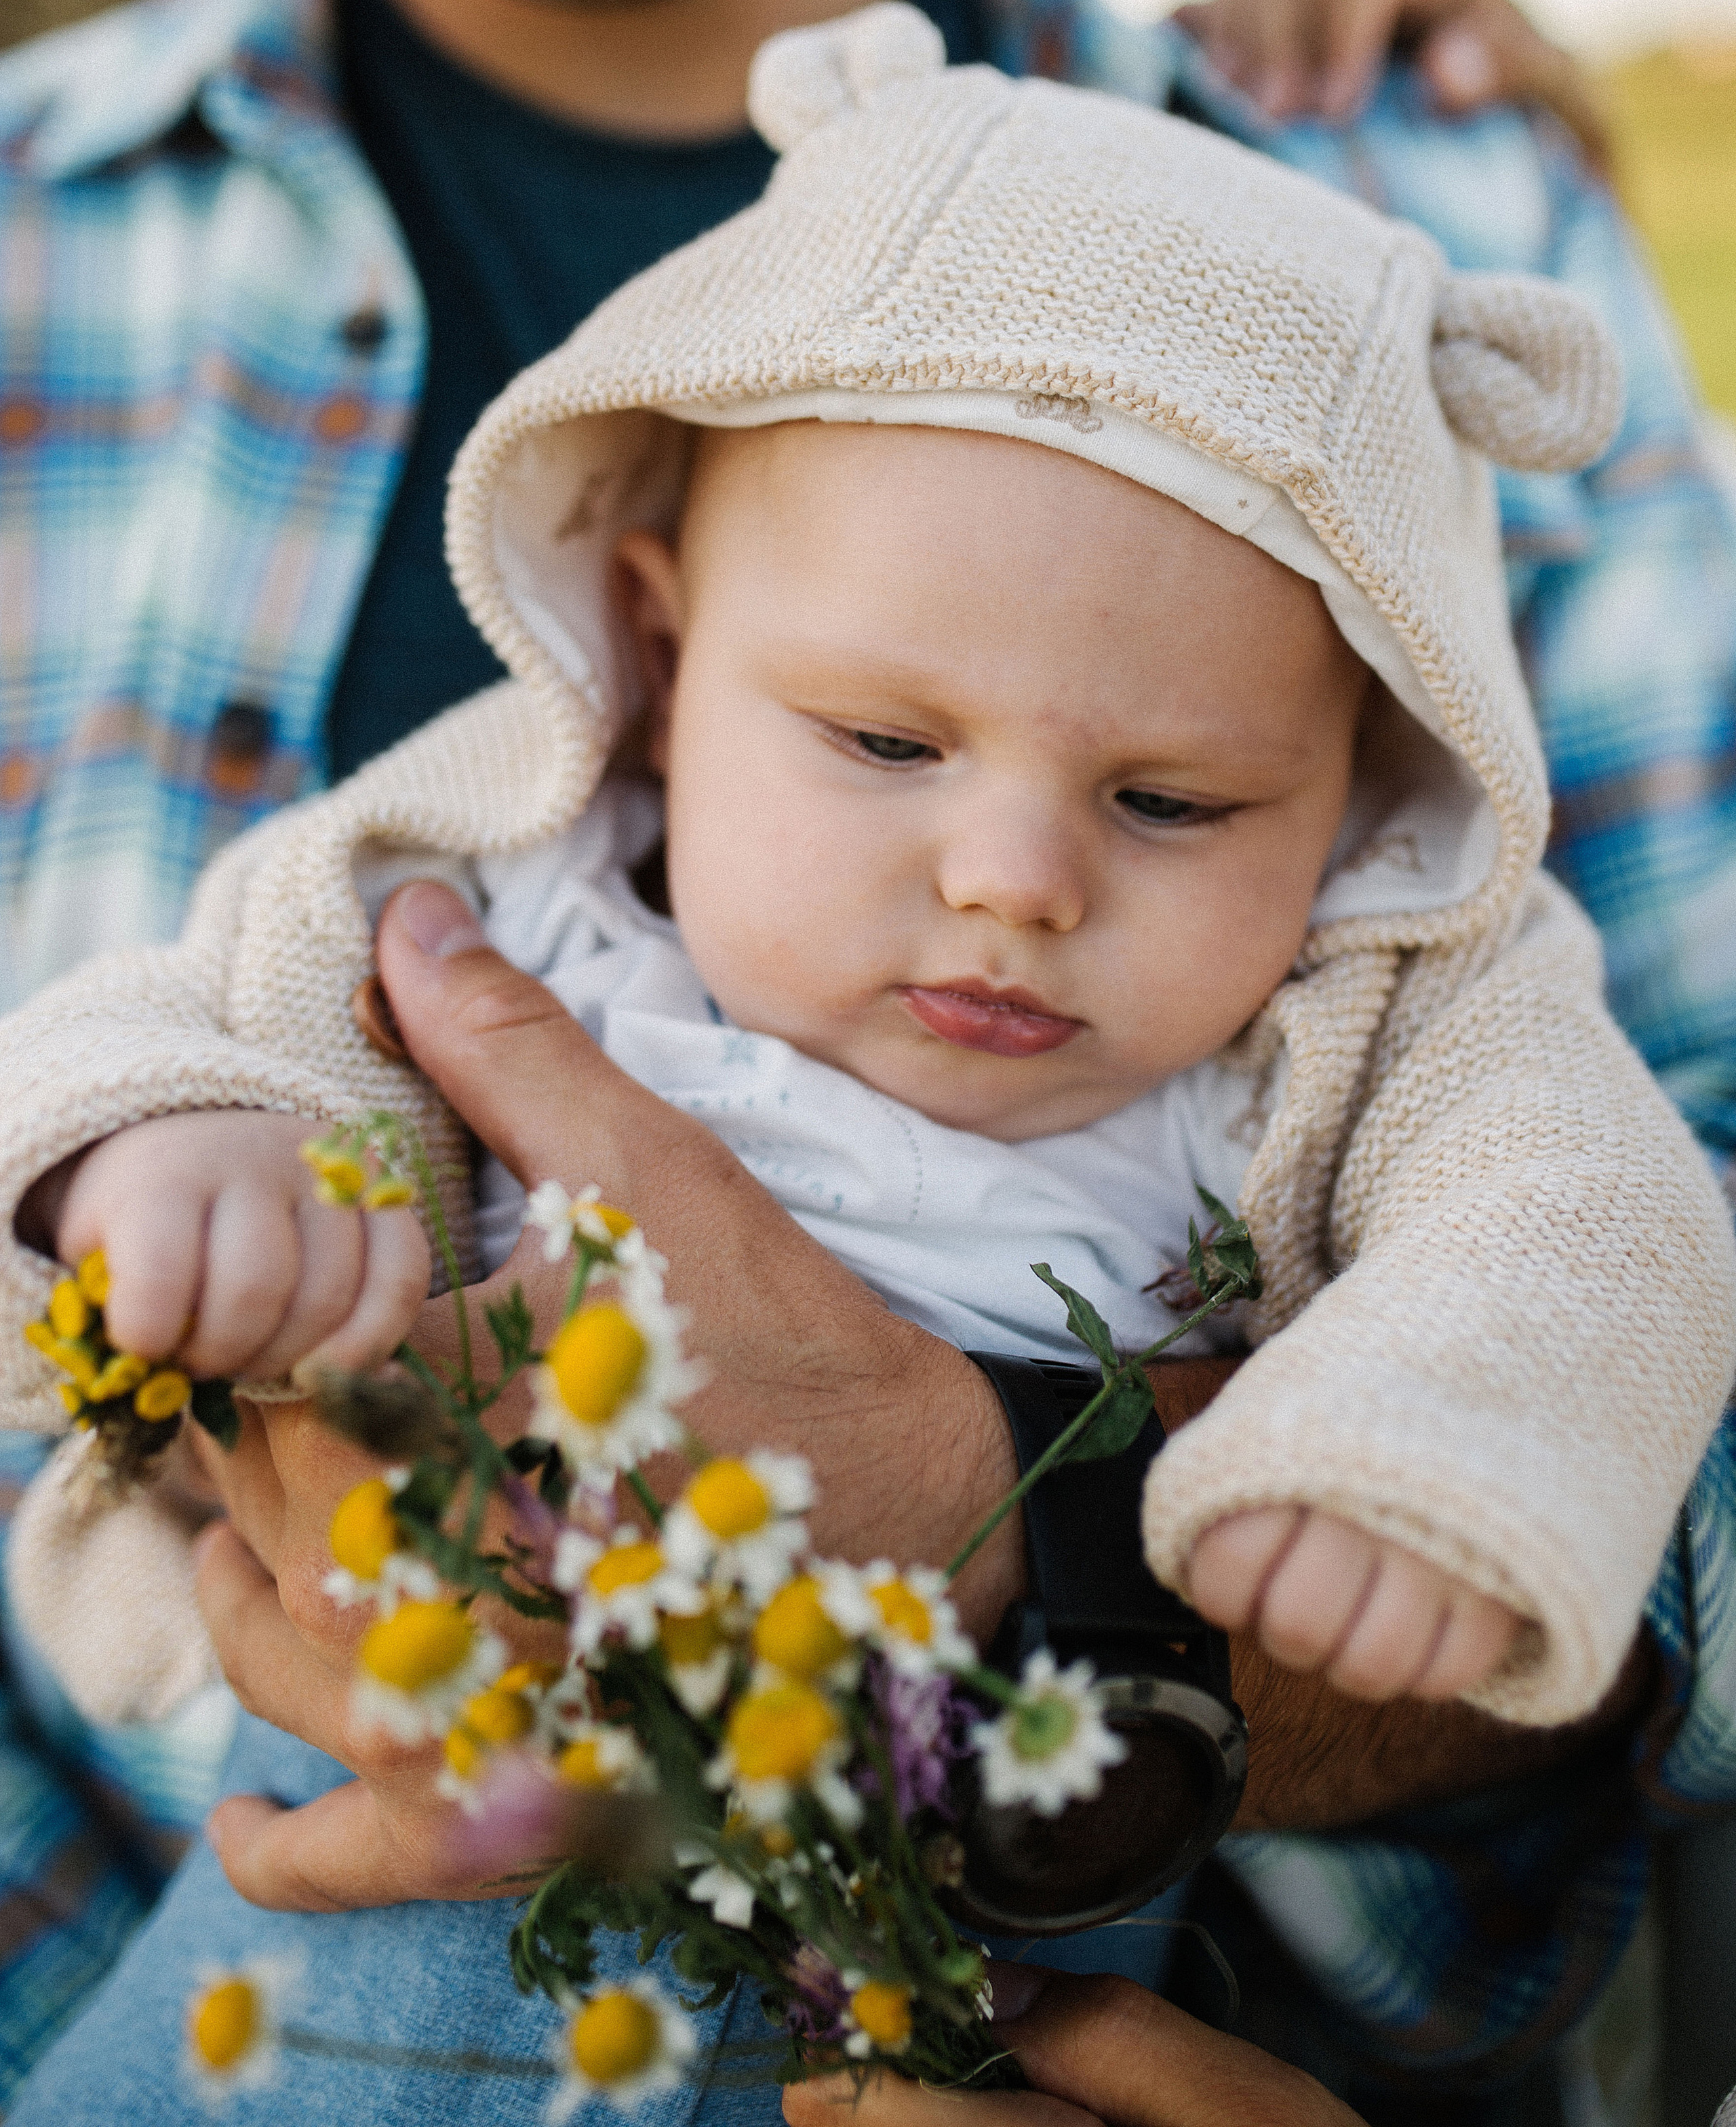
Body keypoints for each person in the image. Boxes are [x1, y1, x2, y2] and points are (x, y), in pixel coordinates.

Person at [0, 0, 1731, 2114]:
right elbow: (163, 1021)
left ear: (1366, 791)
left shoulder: (1365, 1011)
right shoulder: (509, 877)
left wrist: (1418, 1459)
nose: (1013, 882)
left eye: (1177, 804)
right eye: (886, 747)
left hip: (973, 2007)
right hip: (308, 1966)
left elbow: (1607, 1220)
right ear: (645, 649)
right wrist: (167, 1157)